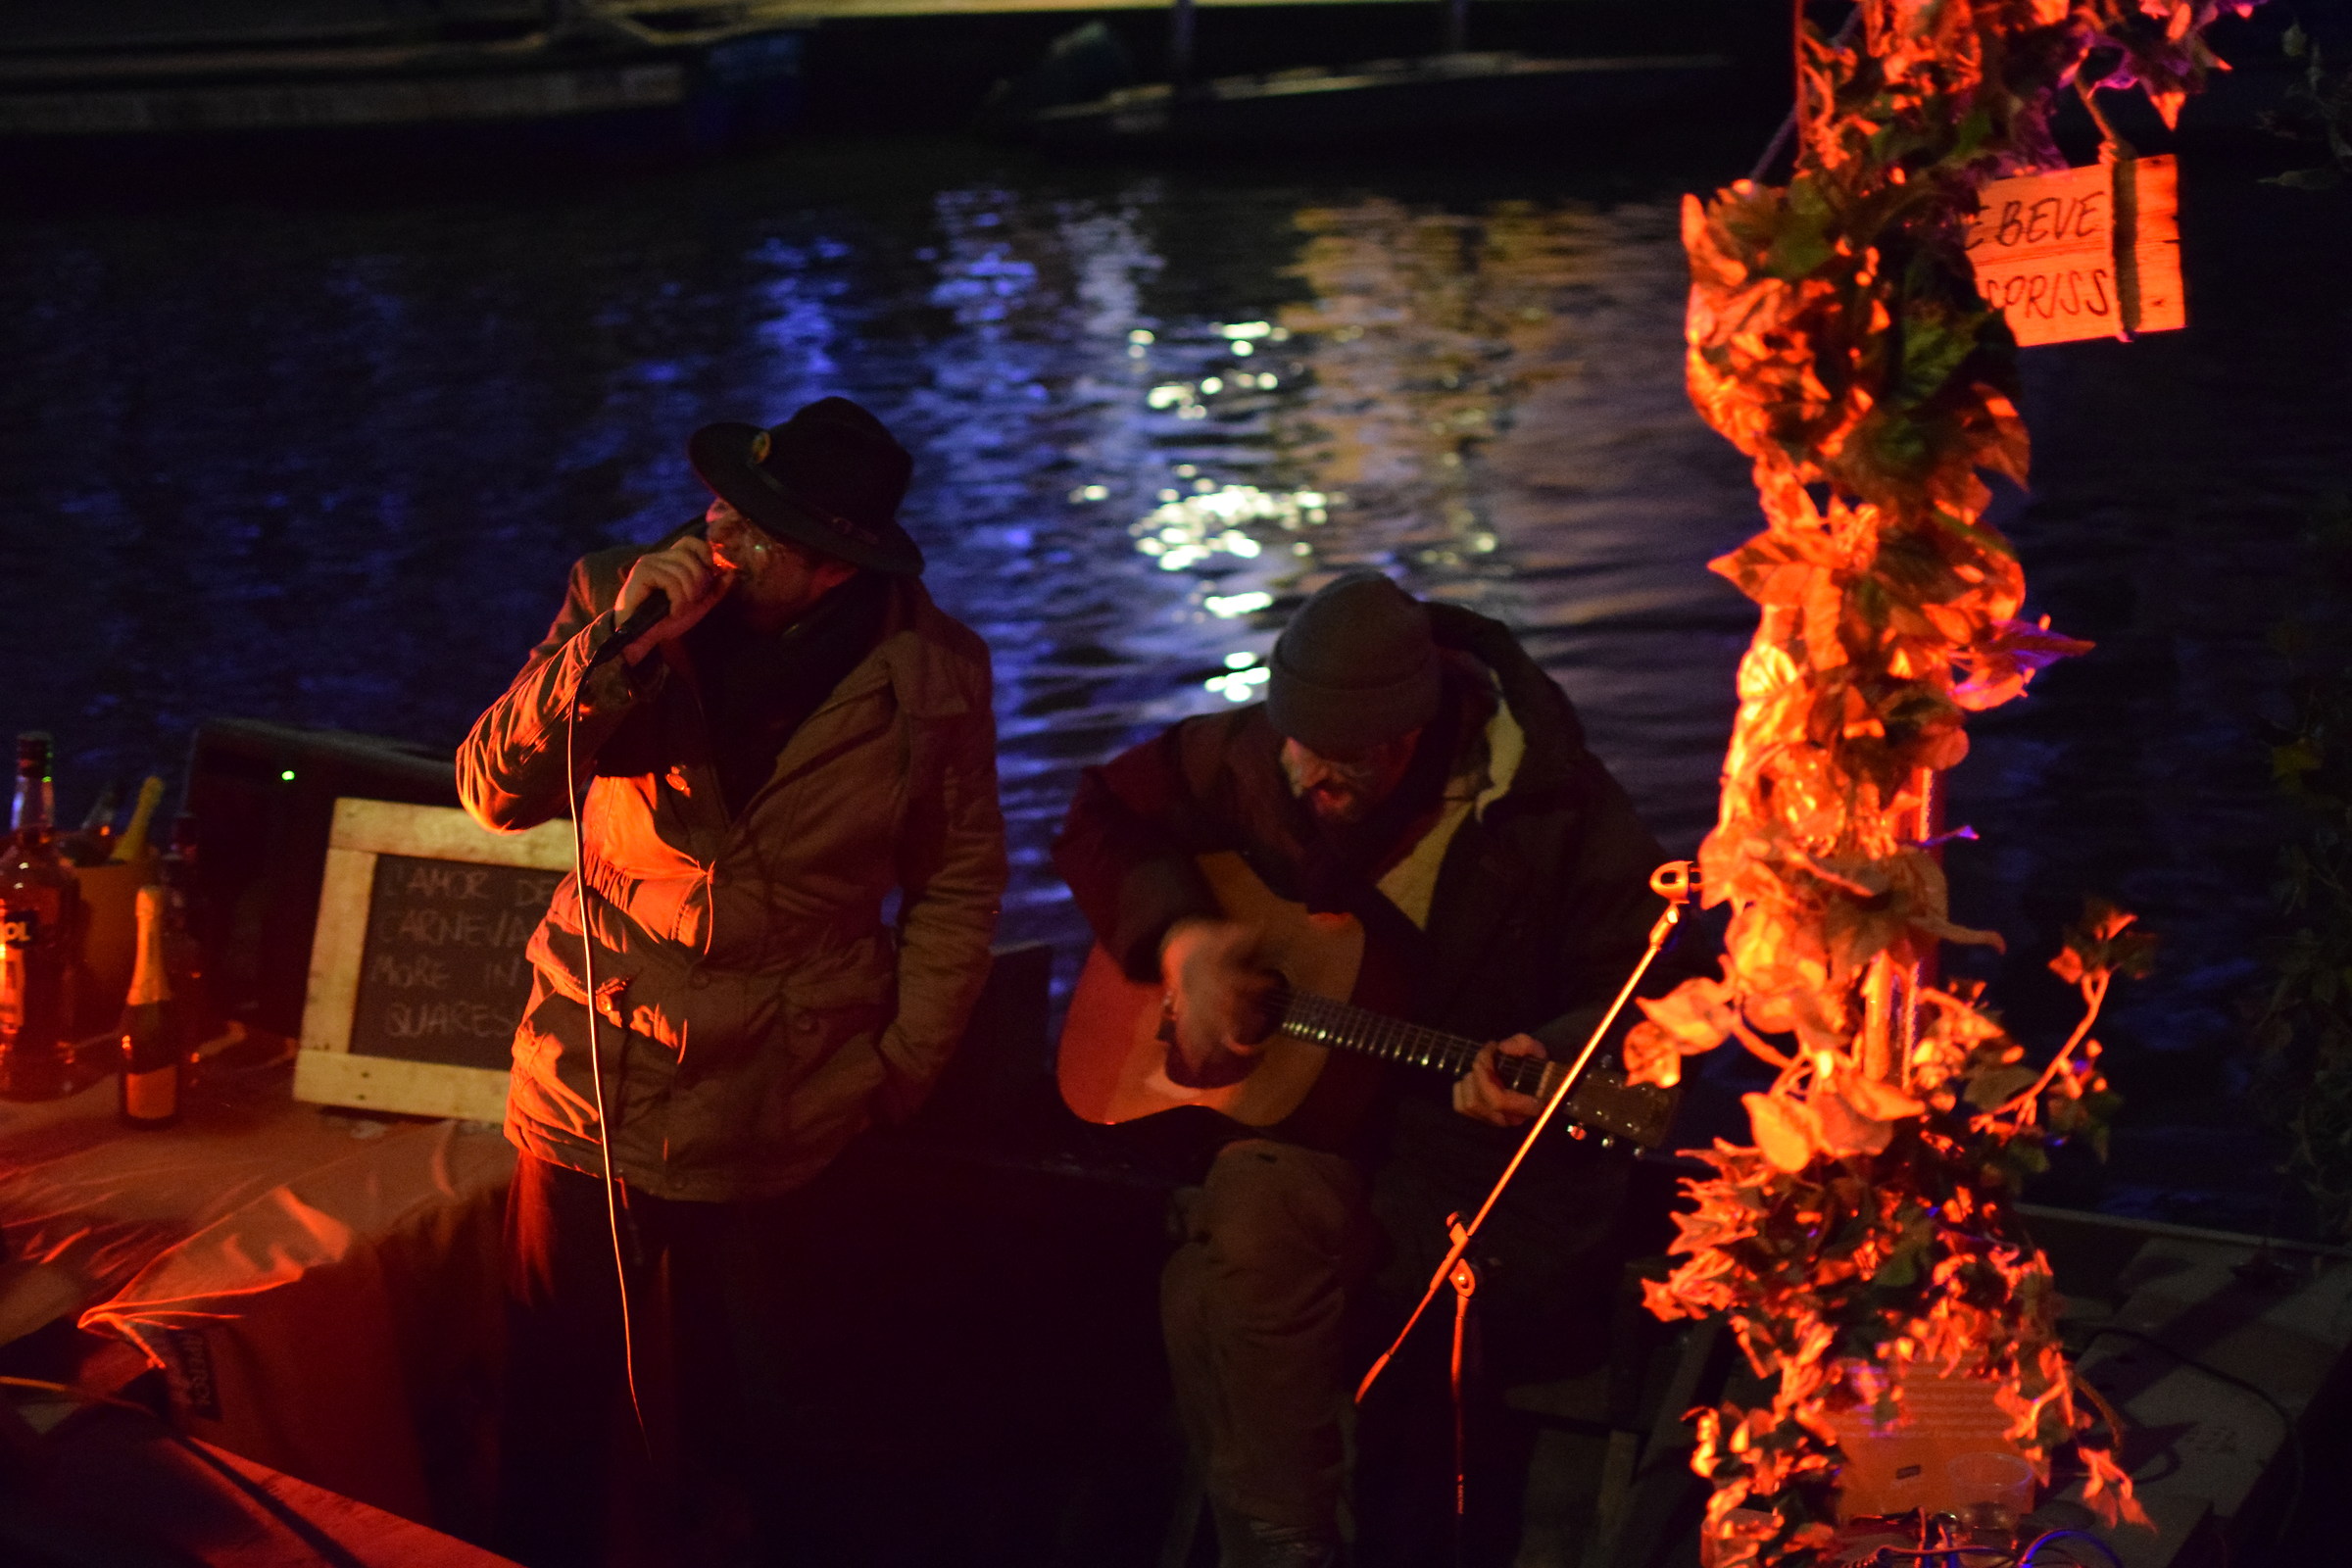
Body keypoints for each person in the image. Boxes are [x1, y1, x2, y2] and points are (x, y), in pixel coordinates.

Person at [459, 397, 1006, 1568]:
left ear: (824, 569)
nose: (717, 537)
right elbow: (493, 789)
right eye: (721, 506)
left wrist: (901, 1065)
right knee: (556, 1407)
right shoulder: (619, 597)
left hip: (785, 1097)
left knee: (772, 1428)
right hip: (592, 1070)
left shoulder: (934, 676)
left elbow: (958, 882)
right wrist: (617, 647)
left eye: (751, 530)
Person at [1053, 571, 1674, 1568]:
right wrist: (1183, 942)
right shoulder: (1263, 755)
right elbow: (1100, 816)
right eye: (1294, 741)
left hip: (1481, 1163)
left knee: (1225, 1282)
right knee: (1236, 1228)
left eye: (1342, 759)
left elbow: (1654, 989)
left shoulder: (1553, 810)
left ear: (1411, 737)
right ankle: (1287, 1544)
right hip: (1317, 1138)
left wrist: (1553, 1049)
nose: (1306, 775)